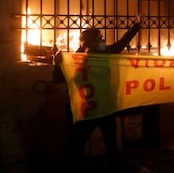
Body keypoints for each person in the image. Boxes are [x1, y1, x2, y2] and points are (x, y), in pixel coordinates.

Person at [55, 14, 143, 171]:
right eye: (100, 38)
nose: (103, 41)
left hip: (104, 109)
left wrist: (136, 26)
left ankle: (113, 166)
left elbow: (123, 42)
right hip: (88, 110)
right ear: (91, 43)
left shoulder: (106, 54)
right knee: (78, 145)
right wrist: (58, 62)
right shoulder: (77, 60)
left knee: (110, 145)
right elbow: (59, 78)